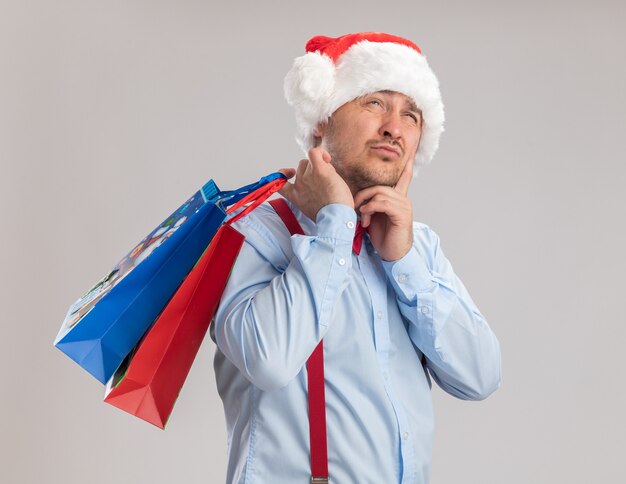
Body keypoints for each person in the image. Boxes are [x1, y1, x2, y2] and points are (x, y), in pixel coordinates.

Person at [212, 32, 501, 484]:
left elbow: (480, 376)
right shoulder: (253, 230)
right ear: (323, 119)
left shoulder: (417, 246)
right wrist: (334, 225)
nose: (394, 127)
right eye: (374, 103)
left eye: (411, 114)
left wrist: (403, 263)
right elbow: (267, 359)